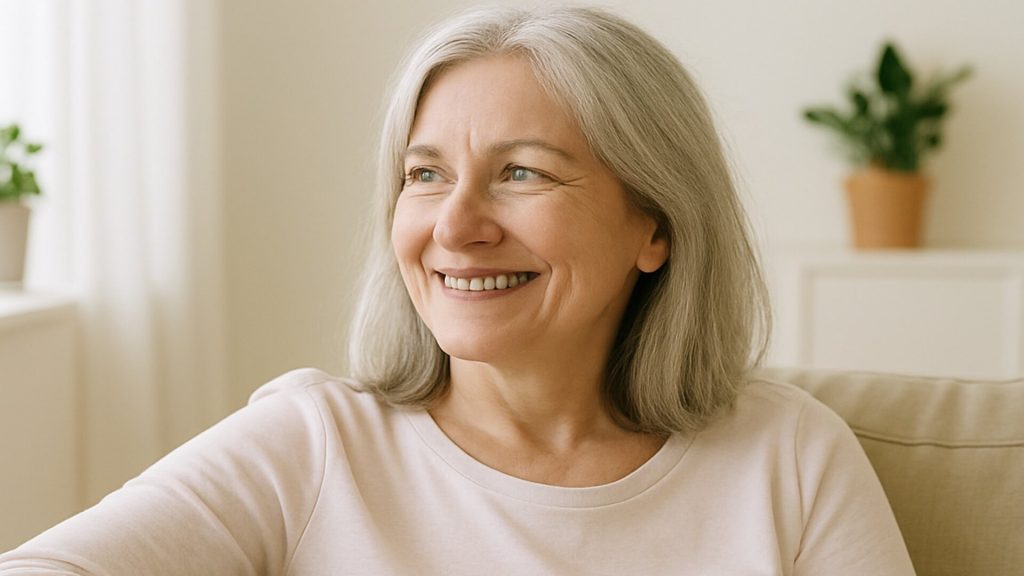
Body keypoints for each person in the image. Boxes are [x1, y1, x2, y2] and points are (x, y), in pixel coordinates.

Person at [0, 5, 915, 575]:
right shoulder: (316, 444)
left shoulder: (788, 457)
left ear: (656, 226)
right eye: (426, 175)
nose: (456, 224)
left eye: (523, 173)